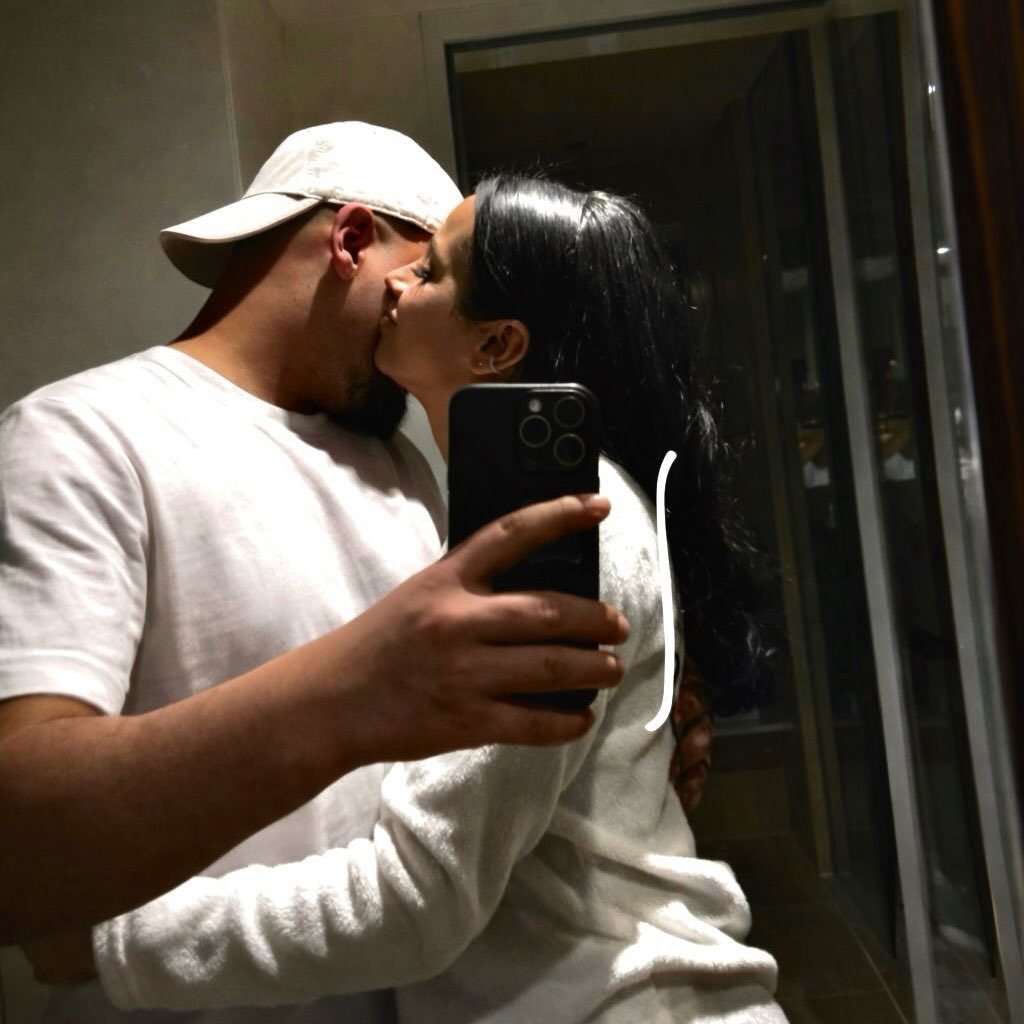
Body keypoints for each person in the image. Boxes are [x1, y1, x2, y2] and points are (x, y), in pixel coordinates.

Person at [71, 177, 785, 1022]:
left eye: (432, 271)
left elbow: (418, 898)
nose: (398, 282)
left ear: (496, 345)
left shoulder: (556, 528)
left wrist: (106, 941)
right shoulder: (505, 507)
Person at [0, 124, 645, 1022]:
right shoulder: (84, 437)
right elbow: (18, 837)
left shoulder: (399, 464)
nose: (414, 303)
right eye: (422, 269)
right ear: (350, 240)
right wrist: (351, 691)